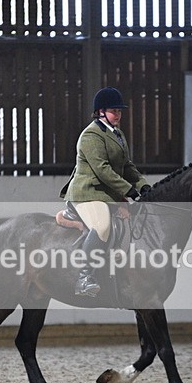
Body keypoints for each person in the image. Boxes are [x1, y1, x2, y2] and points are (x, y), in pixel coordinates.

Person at [59, 87, 151, 297]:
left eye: (119, 110)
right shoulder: (91, 135)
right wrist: (129, 191)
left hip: (106, 194)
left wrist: (142, 185)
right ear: (100, 111)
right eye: (113, 110)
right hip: (87, 193)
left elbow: (127, 166)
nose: (118, 114)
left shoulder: (117, 134)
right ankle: (84, 277)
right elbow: (102, 170)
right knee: (102, 226)